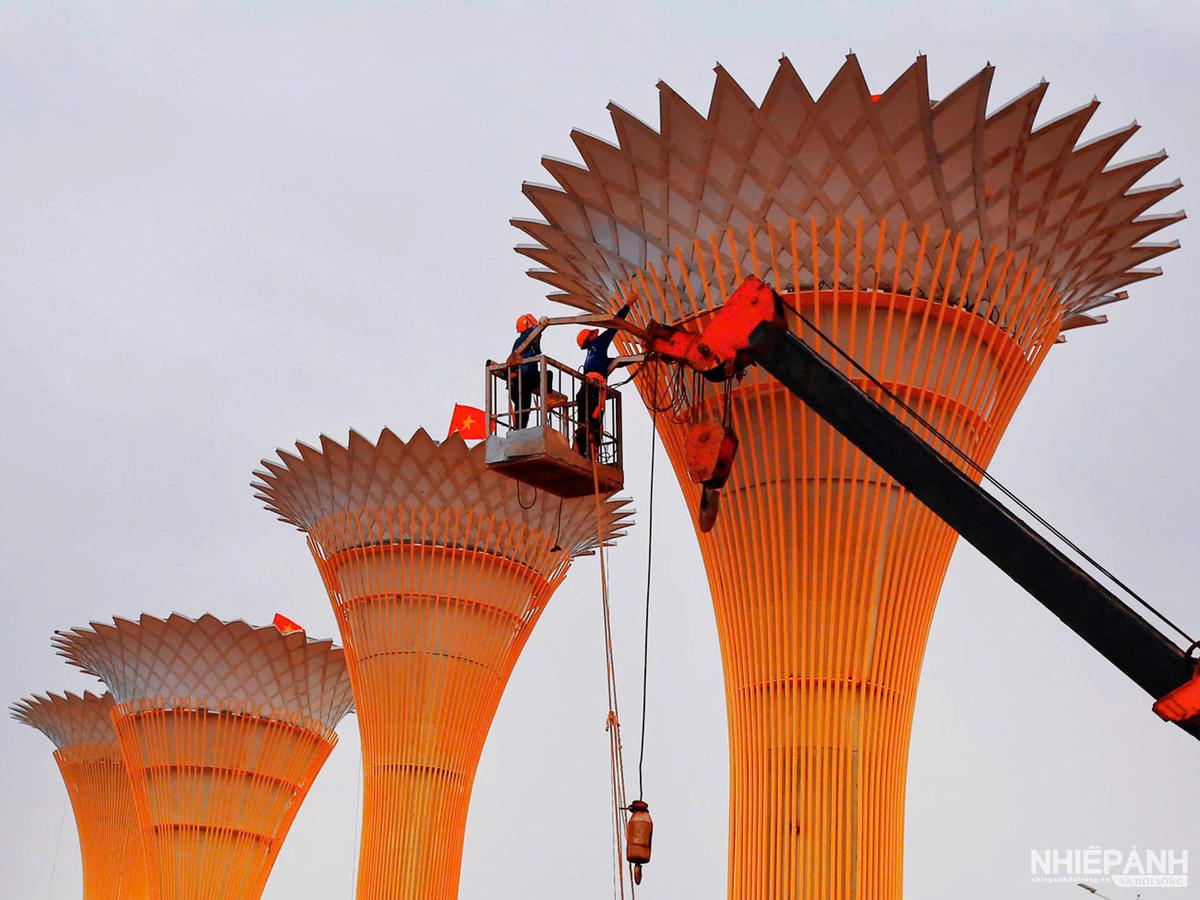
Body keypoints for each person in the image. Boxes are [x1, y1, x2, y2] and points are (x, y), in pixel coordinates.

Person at [575, 302, 632, 458]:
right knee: (594, 417)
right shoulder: (599, 344)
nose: (597, 334)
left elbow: (614, 362)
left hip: (587, 386)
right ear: (591, 337)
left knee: (583, 415)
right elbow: (615, 325)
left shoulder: (591, 356)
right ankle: (592, 446)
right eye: (594, 333)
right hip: (595, 386)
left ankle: (581, 446)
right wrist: (628, 305)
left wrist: (636, 359)